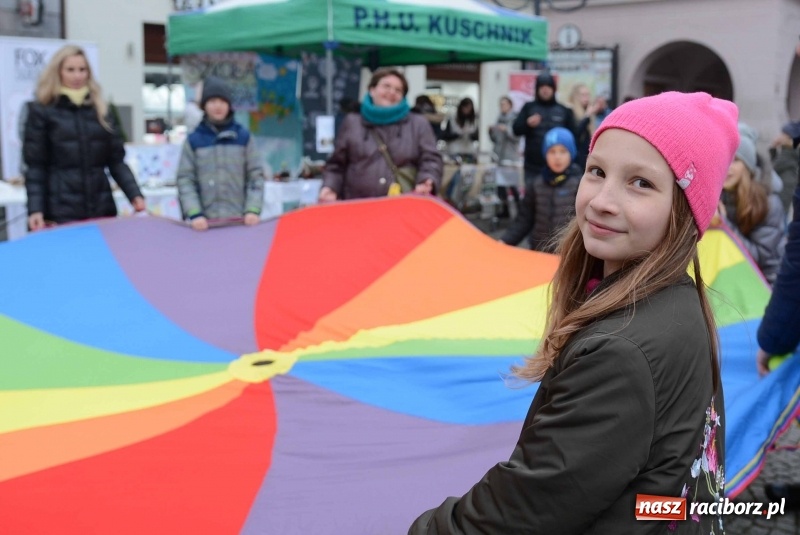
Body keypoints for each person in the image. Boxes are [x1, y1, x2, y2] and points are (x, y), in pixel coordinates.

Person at [410, 92, 738, 534]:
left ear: (684, 212)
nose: (602, 200)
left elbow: (516, 515)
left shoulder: (621, 352)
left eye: (641, 182)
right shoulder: (679, 302)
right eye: (597, 171)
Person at [23, 45, 144, 230]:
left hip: (101, 208)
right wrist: (35, 209)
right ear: (58, 72)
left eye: (82, 69)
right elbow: (36, 167)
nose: (77, 75)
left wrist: (135, 195)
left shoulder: (102, 110)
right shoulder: (42, 111)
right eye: (70, 70)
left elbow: (116, 161)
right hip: (60, 211)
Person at [319, 68, 442, 201]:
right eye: (386, 86)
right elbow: (336, 164)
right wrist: (329, 187)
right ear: (372, 90)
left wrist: (427, 180)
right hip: (358, 205)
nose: (391, 92)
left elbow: (431, 159)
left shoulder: (418, 123)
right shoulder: (352, 122)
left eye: (398, 90)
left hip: (402, 206)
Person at [176, 76, 265, 231]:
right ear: (204, 105)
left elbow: (256, 176)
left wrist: (252, 209)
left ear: (229, 105)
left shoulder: (243, 137)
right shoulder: (193, 140)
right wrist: (195, 213)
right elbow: (186, 180)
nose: (218, 106)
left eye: (222, 101)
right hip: (205, 226)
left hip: (240, 223)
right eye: (212, 101)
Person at [714, 133, 786, 283]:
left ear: (747, 167)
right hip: (731, 278)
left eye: (735, 161)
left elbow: (760, 257)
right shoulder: (716, 196)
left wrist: (723, 224)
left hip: (764, 284)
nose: (727, 167)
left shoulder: (768, 203)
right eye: (724, 160)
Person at [499, 127, 581, 251]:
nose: (557, 157)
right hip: (539, 252)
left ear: (571, 153)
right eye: (552, 151)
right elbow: (523, 221)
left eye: (563, 151)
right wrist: (504, 241)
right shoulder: (536, 184)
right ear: (545, 154)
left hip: (567, 254)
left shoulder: (579, 184)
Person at [513, 70, 576, 191]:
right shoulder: (529, 107)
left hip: (559, 166)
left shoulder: (563, 110)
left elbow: (573, 136)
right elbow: (516, 130)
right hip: (533, 166)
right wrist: (527, 124)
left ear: (553, 89)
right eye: (542, 86)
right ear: (537, 89)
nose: (545, 90)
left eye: (548, 86)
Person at [488, 96, 521, 219]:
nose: (502, 107)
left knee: (513, 185)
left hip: (510, 158)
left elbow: (517, 136)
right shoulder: (499, 119)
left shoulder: (515, 119)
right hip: (499, 158)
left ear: (510, 105)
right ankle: (505, 210)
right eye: (501, 104)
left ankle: (519, 212)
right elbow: (495, 140)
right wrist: (491, 132)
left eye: (505, 104)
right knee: (500, 186)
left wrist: (506, 129)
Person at [567, 83, 610, 169]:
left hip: (586, 157)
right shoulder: (570, 112)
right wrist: (587, 116)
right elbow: (576, 133)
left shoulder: (589, 113)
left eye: (588, 95)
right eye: (583, 95)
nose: (586, 98)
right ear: (576, 96)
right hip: (576, 159)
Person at [441, 97, 479, 163]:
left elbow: (477, 137)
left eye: (469, 108)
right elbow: (445, 136)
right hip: (454, 151)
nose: (467, 111)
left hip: (469, 151)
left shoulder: (473, 120)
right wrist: (459, 134)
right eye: (466, 108)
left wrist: (469, 134)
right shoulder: (452, 118)